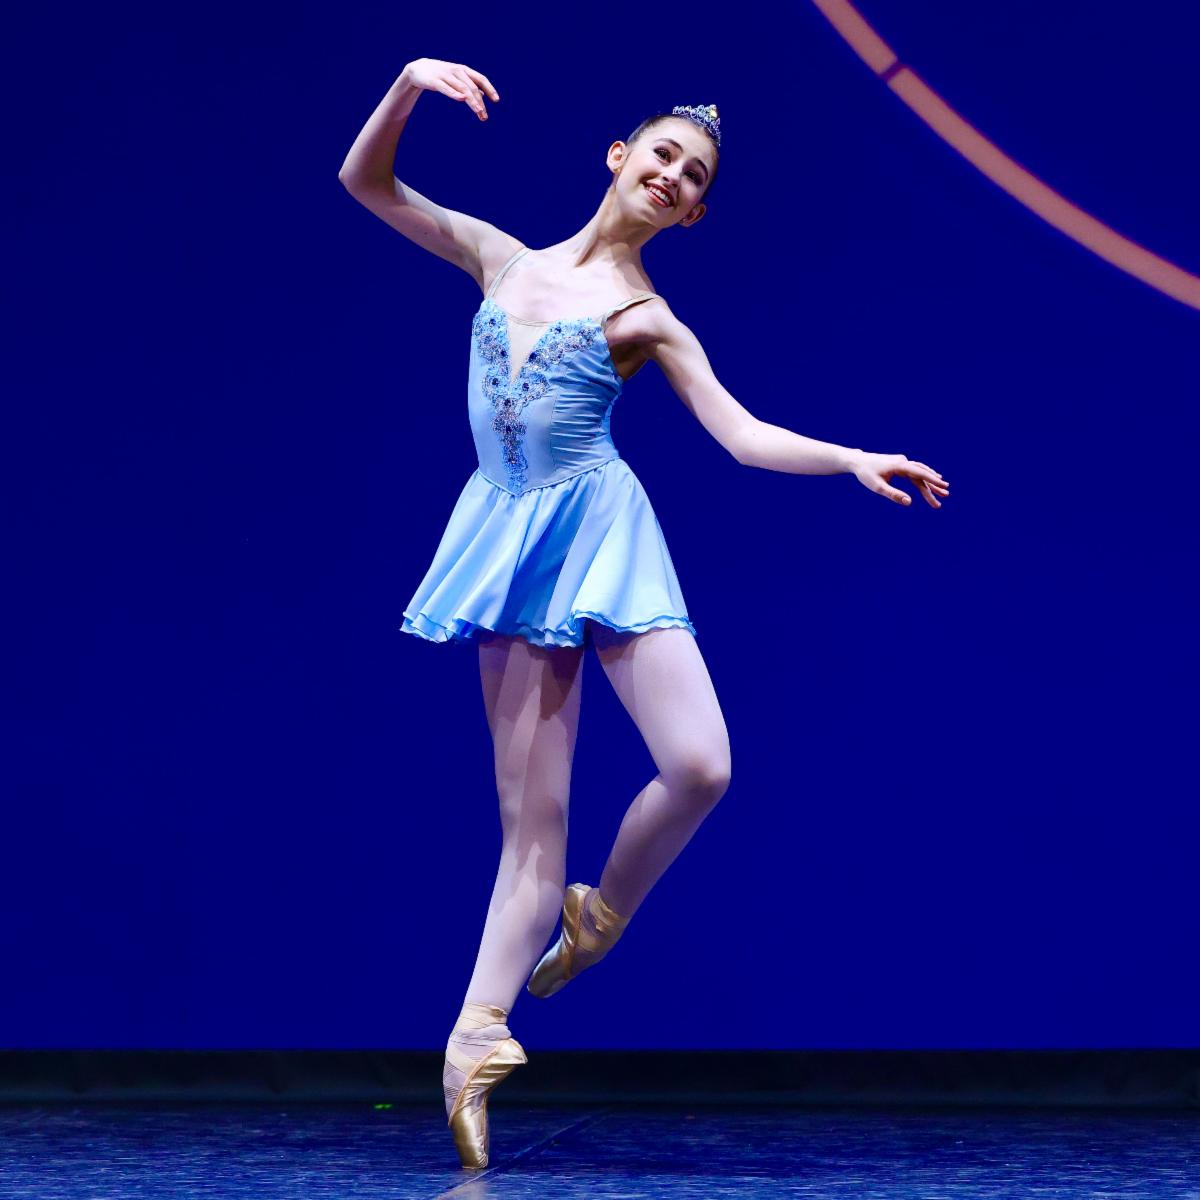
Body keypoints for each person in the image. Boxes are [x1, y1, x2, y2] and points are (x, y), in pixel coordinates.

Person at [339, 57, 951, 1171]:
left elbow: (742, 435)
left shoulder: (648, 317)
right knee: (530, 827)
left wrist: (852, 457)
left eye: (694, 175)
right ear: (619, 157)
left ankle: (603, 915)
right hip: (510, 543)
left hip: (603, 534)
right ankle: (476, 1034)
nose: (673, 174)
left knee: (702, 764)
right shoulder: (499, 258)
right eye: (663, 153)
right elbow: (367, 183)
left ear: (694, 212)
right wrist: (409, 85)